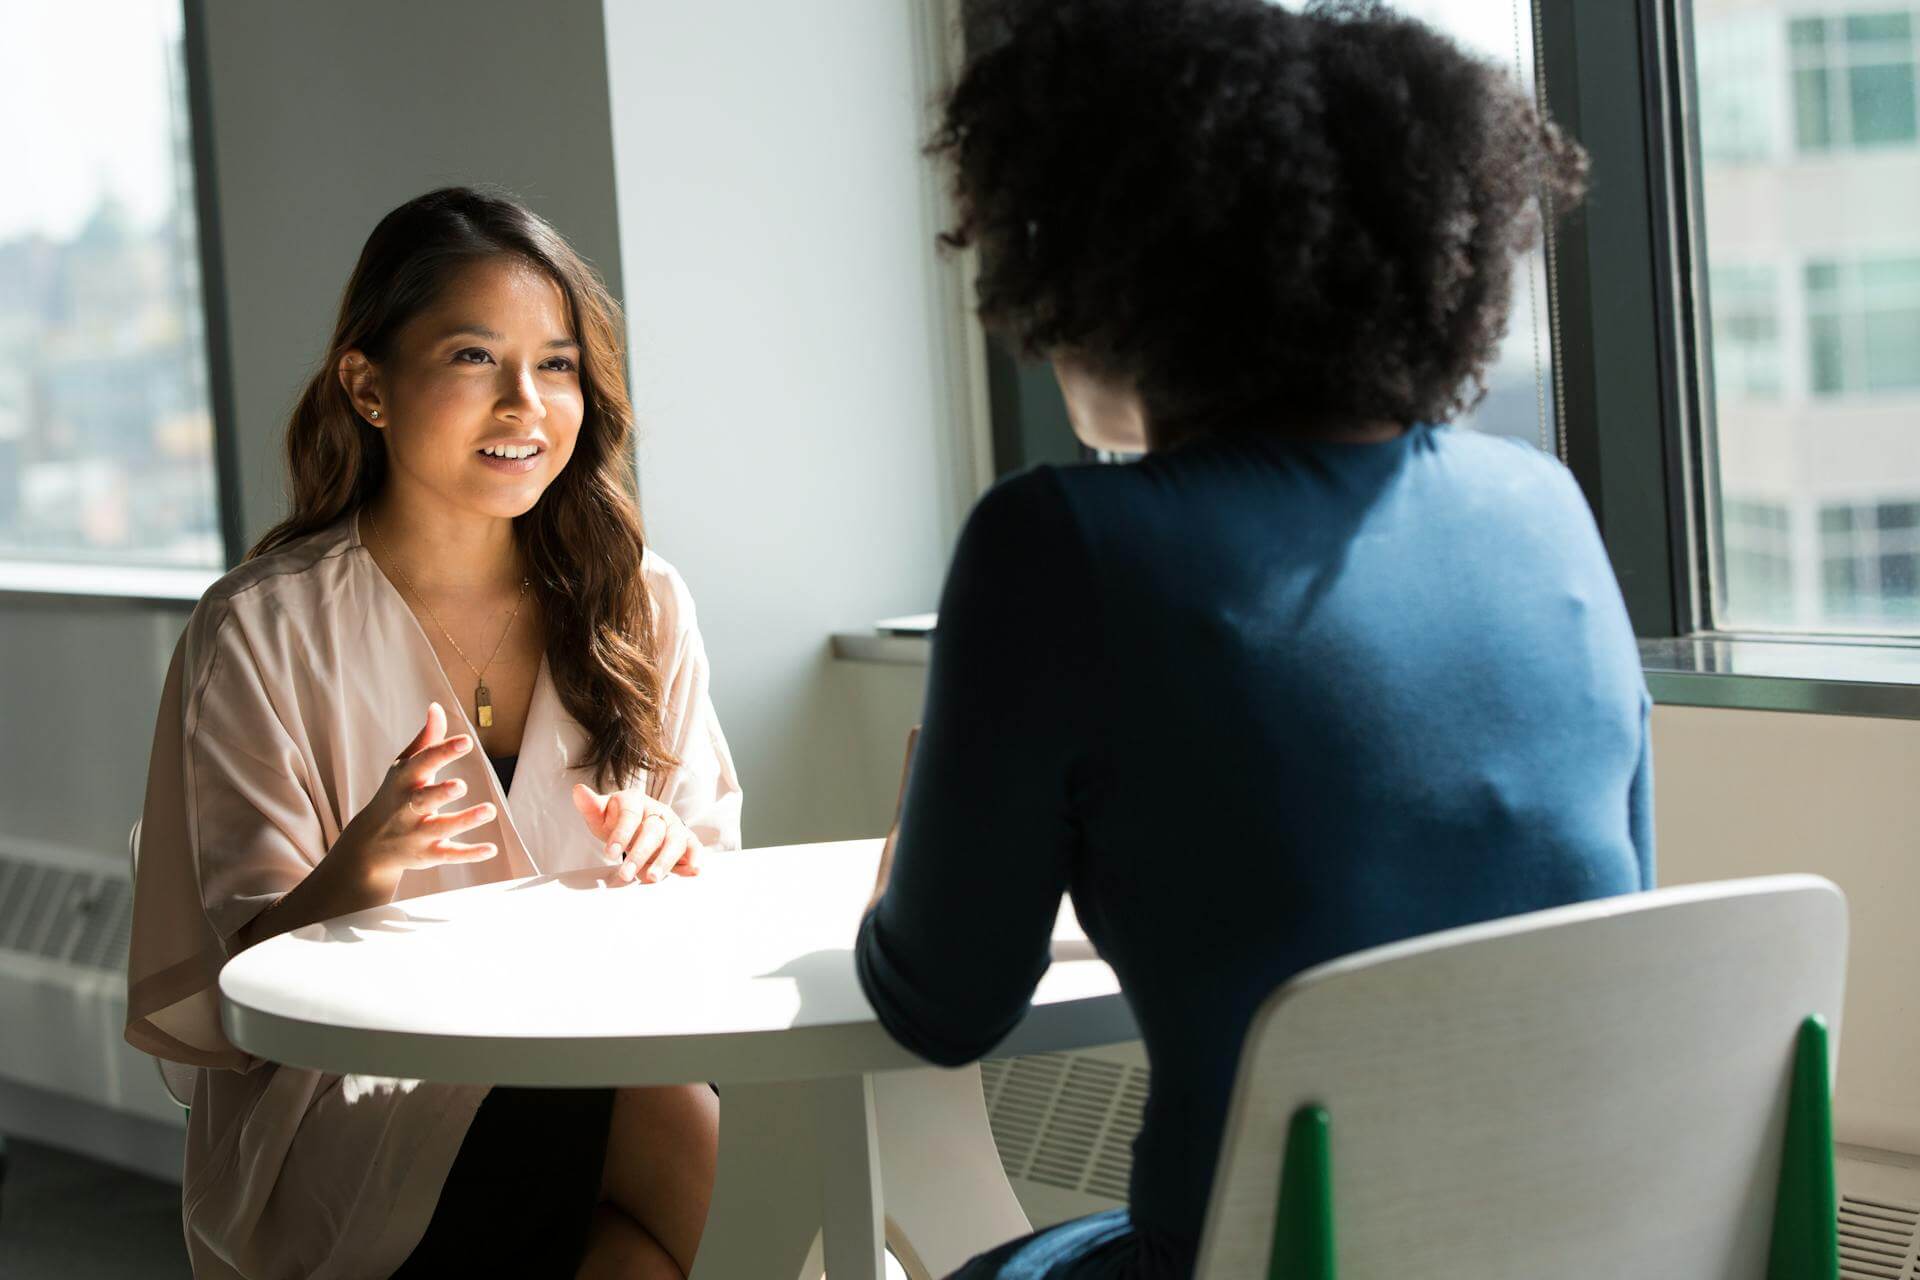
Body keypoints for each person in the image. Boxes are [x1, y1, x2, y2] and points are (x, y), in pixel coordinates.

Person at [854, 2, 1647, 1277]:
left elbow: (942, 1006)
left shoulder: (1060, 540)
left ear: (1108, 268)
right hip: (1586, 1246)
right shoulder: (1545, 510)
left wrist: (911, 879)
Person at [125, 187, 741, 1280]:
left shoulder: (642, 601)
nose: (527, 404)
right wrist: (354, 874)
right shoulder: (261, 629)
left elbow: (716, 892)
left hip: (610, 1054)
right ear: (368, 385)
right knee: (688, 1134)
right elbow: (240, 996)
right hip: (352, 1107)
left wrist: (671, 851)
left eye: (556, 364)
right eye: (473, 357)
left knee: (653, 1208)